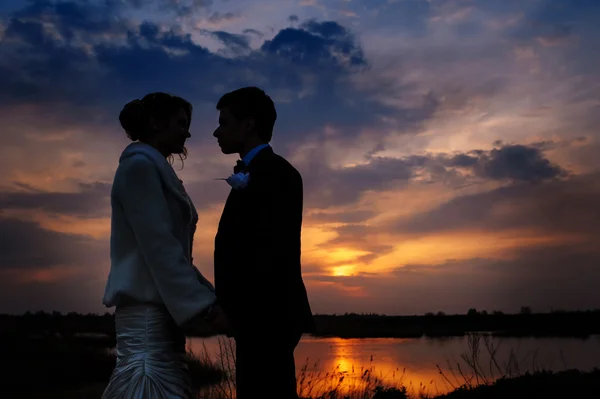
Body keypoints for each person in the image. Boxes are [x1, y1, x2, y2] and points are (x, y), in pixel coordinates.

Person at [102, 92, 228, 399]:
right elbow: (160, 248)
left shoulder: (154, 169)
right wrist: (207, 307)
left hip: (164, 319)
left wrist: (210, 297)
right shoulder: (139, 168)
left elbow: (175, 254)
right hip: (147, 321)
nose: (187, 132)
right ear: (157, 124)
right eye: (181, 123)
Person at [213, 86, 315, 399]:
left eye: (224, 122)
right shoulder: (258, 172)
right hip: (256, 321)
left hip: (266, 319)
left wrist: (237, 313)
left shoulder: (278, 174)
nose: (217, 131)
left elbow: (269, 253)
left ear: (248, 124)